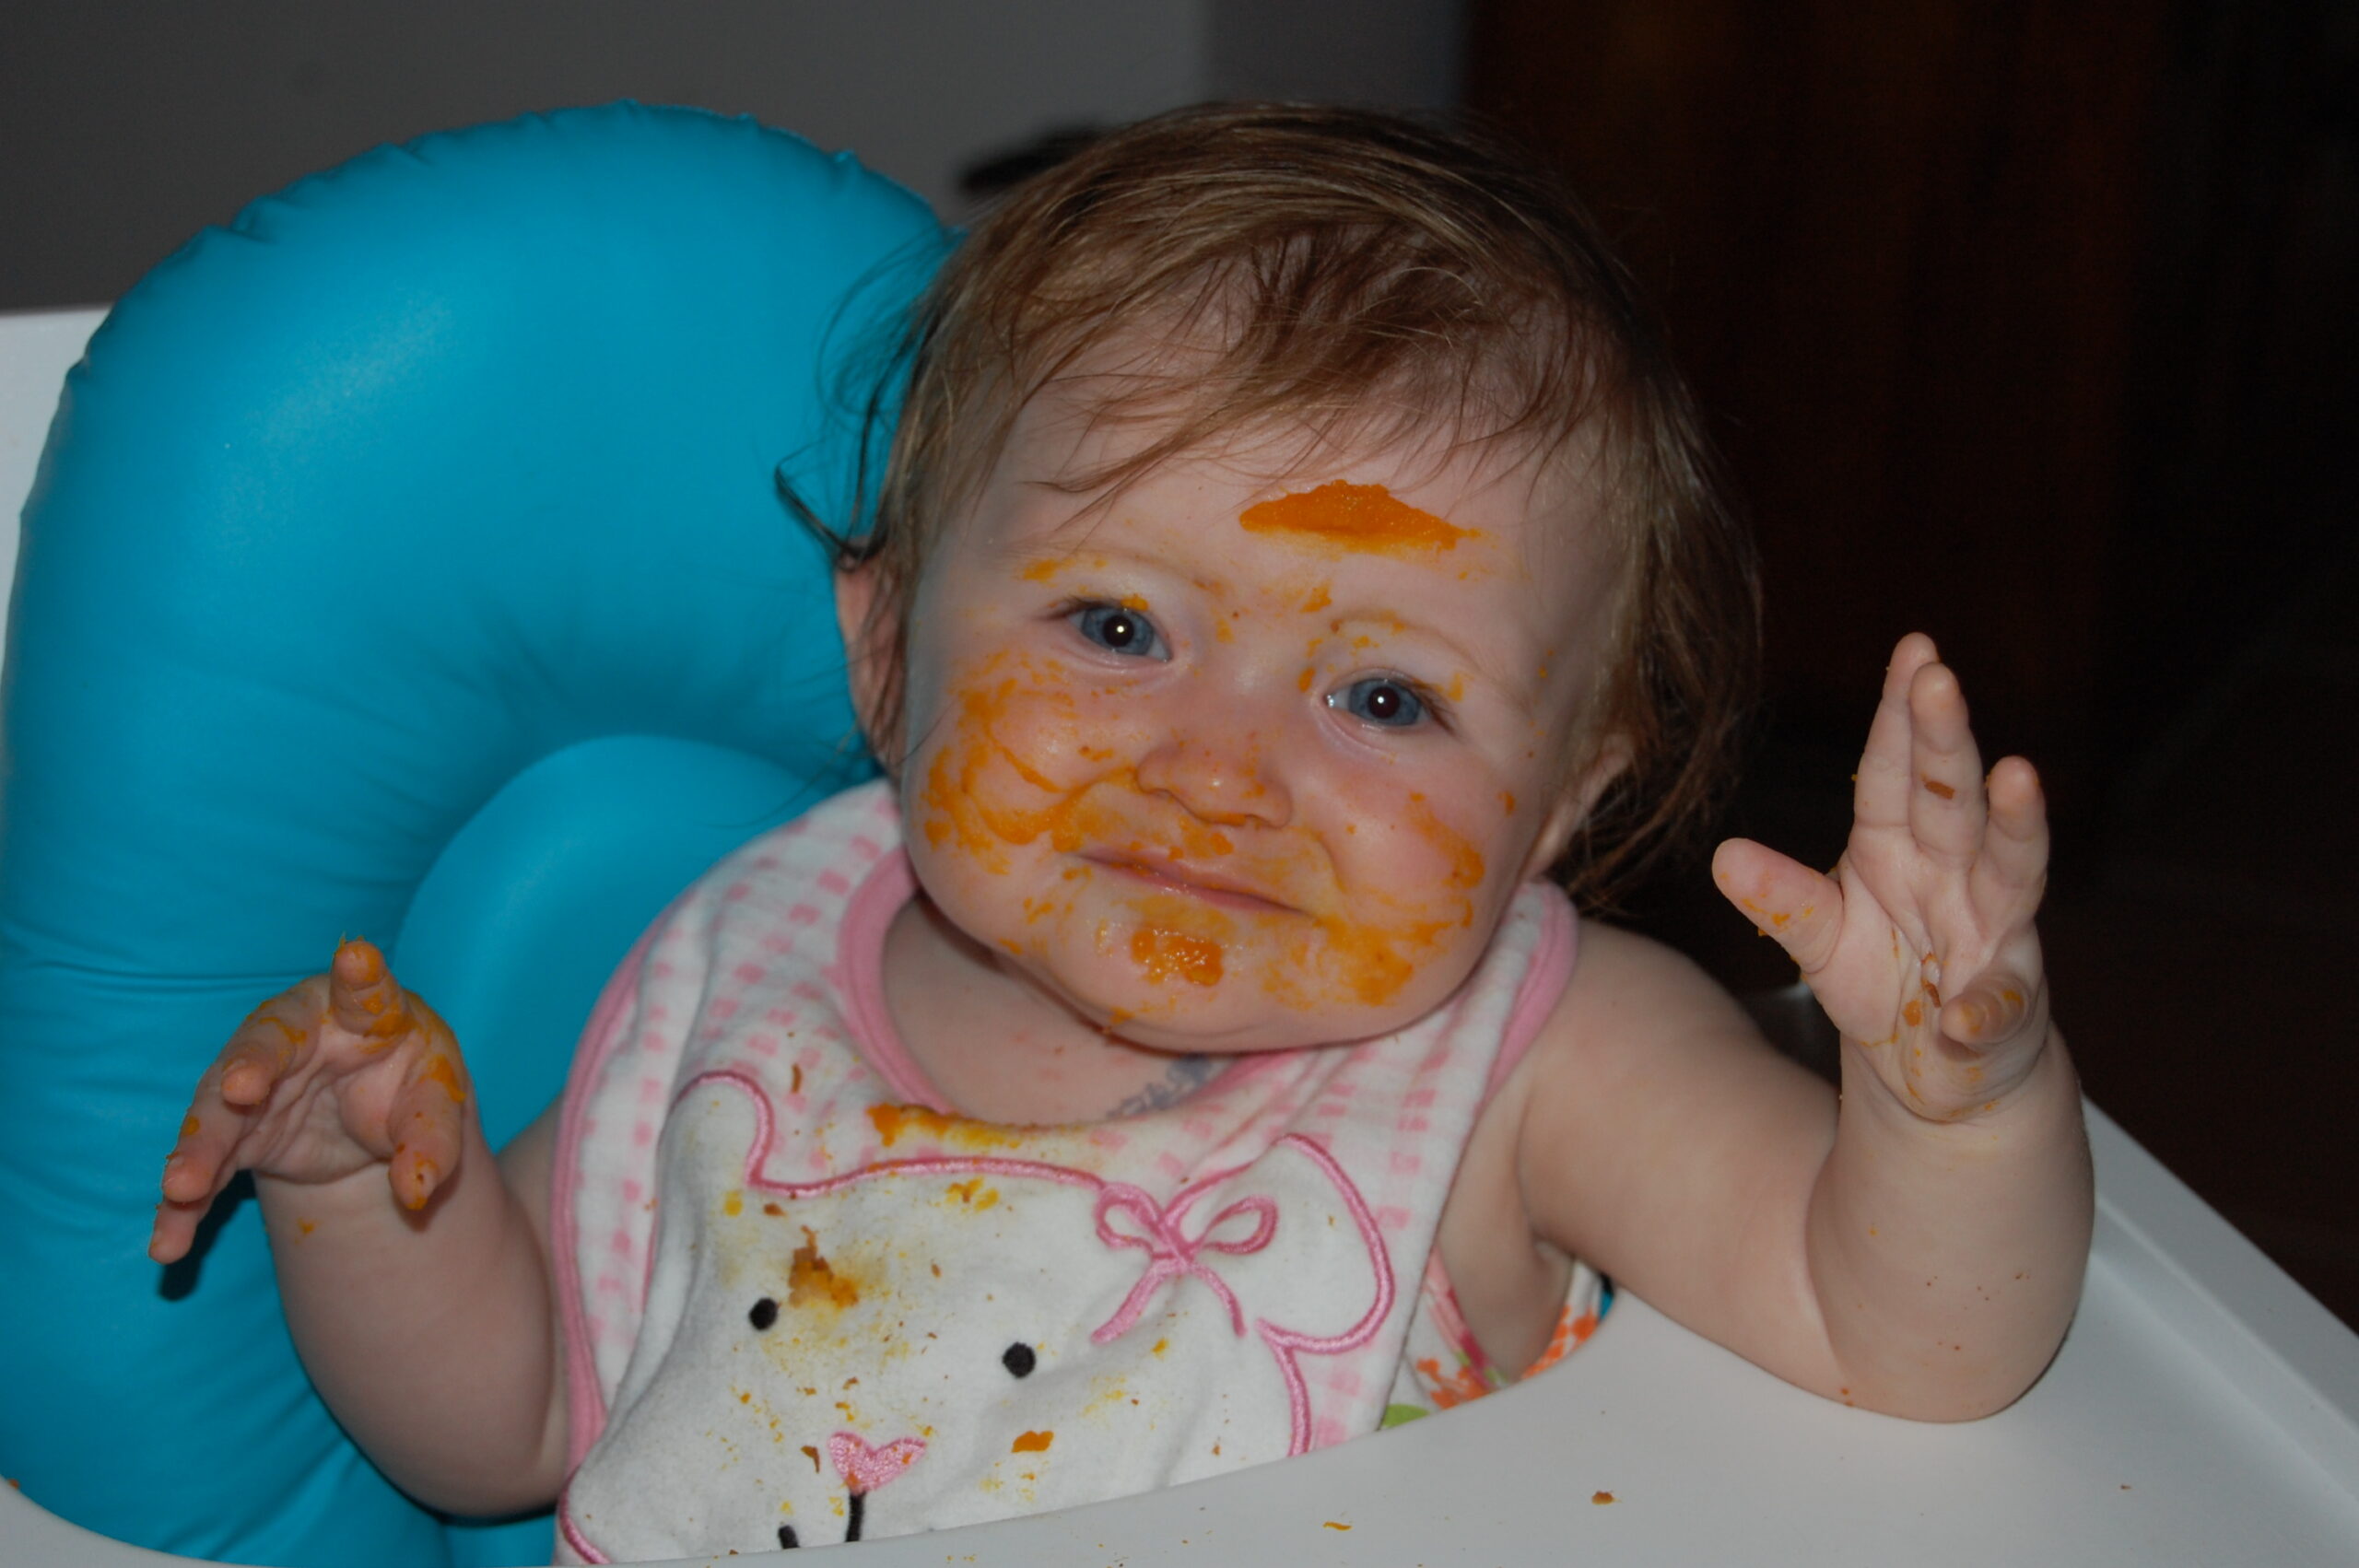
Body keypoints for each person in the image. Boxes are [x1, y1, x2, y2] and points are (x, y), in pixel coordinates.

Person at [148, 103, 2092, 1558]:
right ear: (888, 654)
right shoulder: (744, 969)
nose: (1221, 771)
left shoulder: (1533, 1061)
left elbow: (1899, 1333)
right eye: (1116, 627)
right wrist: (359, 1194)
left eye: (1383, 698)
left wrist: (1951, 1111)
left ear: (1563, 799)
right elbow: (504, 1426)